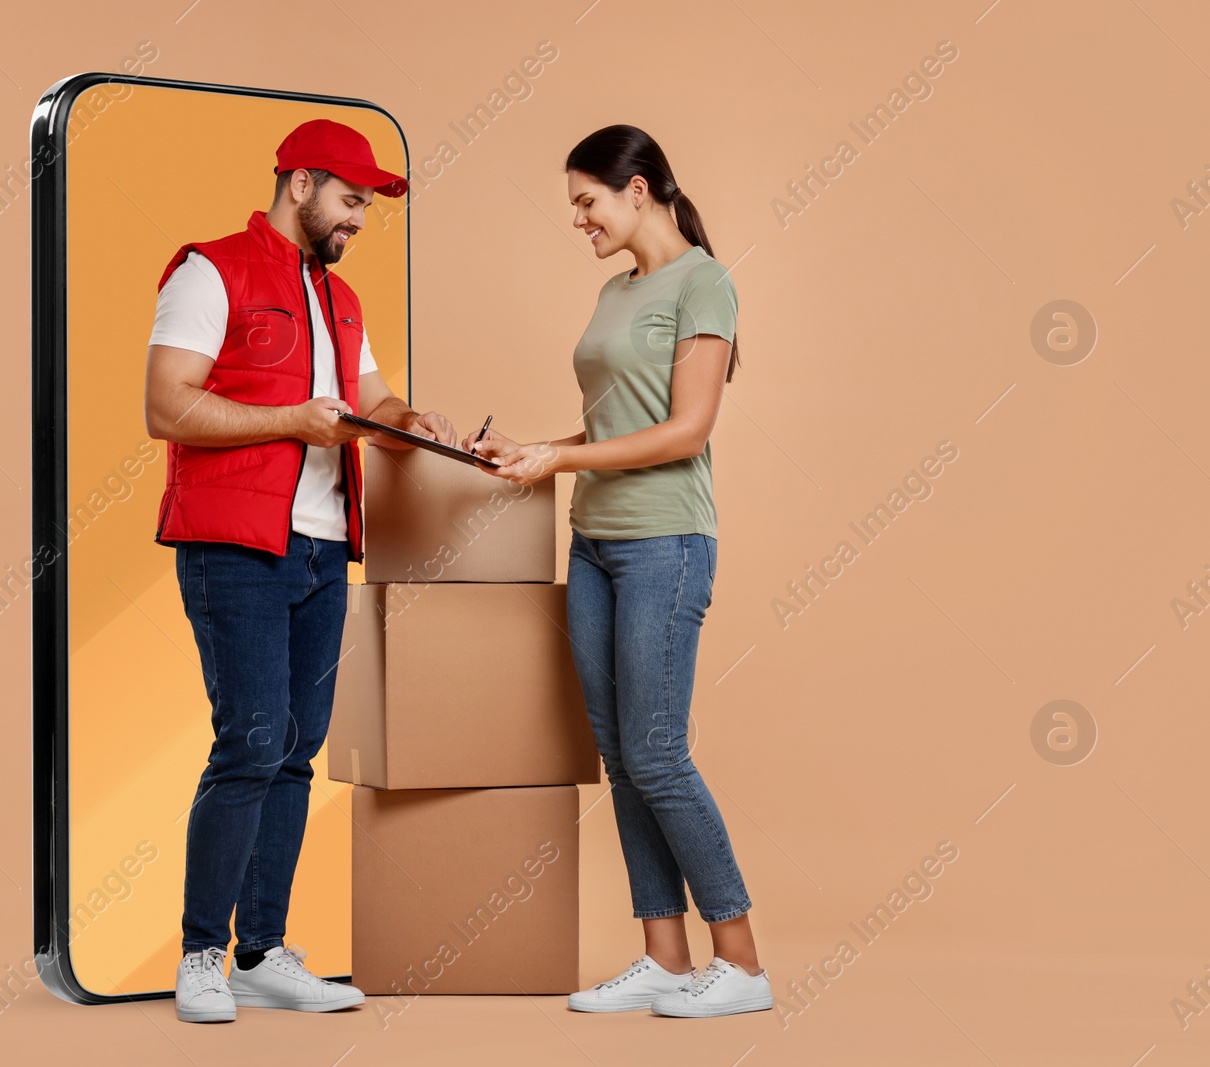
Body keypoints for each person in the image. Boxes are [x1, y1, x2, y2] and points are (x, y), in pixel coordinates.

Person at [144, 118, 459, 1024]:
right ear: (302, 183)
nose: (359, 219)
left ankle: (262, 952)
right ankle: (202, 952)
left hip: (325, 547)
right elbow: (167, 406)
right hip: (237, 546)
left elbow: (367, 399)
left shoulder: (341, 296)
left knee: (295, 751)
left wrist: (412, 417)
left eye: (366, 206)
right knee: (248, 739)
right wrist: (291, 421)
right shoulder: (211, 269)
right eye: (352, 200)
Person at [465, 124, 770, 1019]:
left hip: (665, 544)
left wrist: (555, 466)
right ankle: (665, 956)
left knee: (658, 752)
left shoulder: (706, 281)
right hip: (594, 541)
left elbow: (686, 431)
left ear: (639, 190)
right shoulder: (613, 290)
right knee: (622, 755)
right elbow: (609, 429)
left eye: (586, 201)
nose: (578, 219)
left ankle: (742, 963)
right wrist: (533, 449)